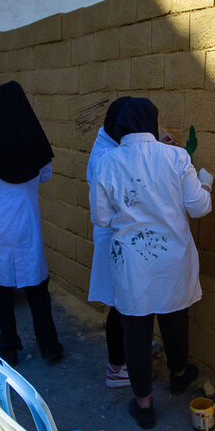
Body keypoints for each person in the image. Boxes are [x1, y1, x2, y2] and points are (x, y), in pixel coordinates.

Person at [91, 98, 213, 429]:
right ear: (151, 123)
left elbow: (101, 218)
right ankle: (178, 374)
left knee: (136, 328)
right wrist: (207, 184)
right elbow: (199, 207)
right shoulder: (176, 157)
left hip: (131, 262)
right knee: (175, 318)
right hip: (172, 258)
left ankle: (144, 404)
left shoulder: (107, 162)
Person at [0, 81, 64, 366]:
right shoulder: (36, 138)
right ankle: (49, 347)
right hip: (25, 223)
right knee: (36, 287)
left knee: (0, 286)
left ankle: (9, 346)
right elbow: (45, 175)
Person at [86, 96, 133, 388]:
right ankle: (117, 367)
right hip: (113, 234)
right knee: (118, 302)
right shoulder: (105, 156)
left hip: (118, 234)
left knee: (126, 299)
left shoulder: (109, 144)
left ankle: (128, 351)